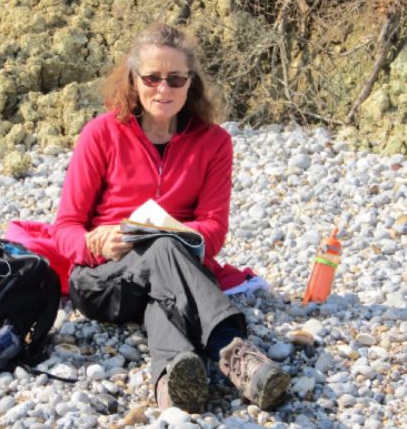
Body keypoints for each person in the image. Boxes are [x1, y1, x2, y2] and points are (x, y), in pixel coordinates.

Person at [52, 23, 290, 412]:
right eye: (152, 78)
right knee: (164, 250)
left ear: (190, 83)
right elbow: (65, 227)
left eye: (176, 79)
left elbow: (214, 230)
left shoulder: (214, 142)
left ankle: (171, 381)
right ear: (134, 79)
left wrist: (175, 233)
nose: (163, 89)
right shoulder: (101, 134)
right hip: (104, 281)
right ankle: (233, 350)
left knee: (162, 289)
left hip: (173, 278)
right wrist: (97, 244)